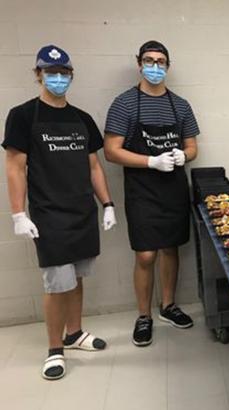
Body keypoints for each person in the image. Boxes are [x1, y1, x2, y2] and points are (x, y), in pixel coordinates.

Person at [3, 45, 116, 380]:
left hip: (82, 211)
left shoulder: (81, 118)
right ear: (38, 74)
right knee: (56, 283)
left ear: (71, 76)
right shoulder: (23, 115)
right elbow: (14, 167)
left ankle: (75, 333)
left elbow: (93, 166)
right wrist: (17, 213)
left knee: (77, 276)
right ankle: (55, 349)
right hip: (49, 215)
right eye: (50, 73)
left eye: (63, 73)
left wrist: (107, 204)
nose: (57, 78)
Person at [104, 40, 199, 347]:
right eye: (149, 60)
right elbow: (111, 151)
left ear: (167, 66)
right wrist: (150, 161)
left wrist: (185, 156)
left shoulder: (180, 105)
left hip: (173, 189)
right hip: (142, 191)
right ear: (139, 63)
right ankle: (143, 315)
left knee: (171, 248)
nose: (155, 66)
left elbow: (193, 146)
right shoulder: (125, 103)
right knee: (146, 254)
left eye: (160, 61)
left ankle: (168, 306)